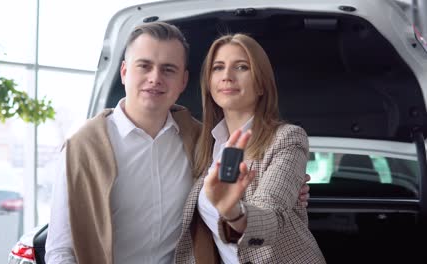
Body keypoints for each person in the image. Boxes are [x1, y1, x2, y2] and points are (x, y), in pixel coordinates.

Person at [45, 22, 311, 264]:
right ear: (124, 72)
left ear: (183, 81)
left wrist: (239, 210)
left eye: (168, 69)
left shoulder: (197, 139)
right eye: (144, 65)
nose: (155, 78)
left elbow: (270, 211)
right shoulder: (83, 148)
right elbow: (60, 249)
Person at [174, 34, 325, 263]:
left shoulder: (287, 139)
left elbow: (272, 215)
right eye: (218, 67)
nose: (227, 76)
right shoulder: (204, 144)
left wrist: (233, 212)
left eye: (241, 67)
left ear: (262, 84)